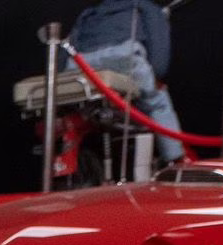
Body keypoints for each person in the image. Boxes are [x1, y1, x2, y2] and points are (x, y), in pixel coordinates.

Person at [68, 0, 186, 164]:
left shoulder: (90, 13)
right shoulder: (145, 7)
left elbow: (70, 43)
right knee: (157, 103)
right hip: (122, 57)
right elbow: (159, 46)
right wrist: (157, 76)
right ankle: (176, 159)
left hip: (81, 65)